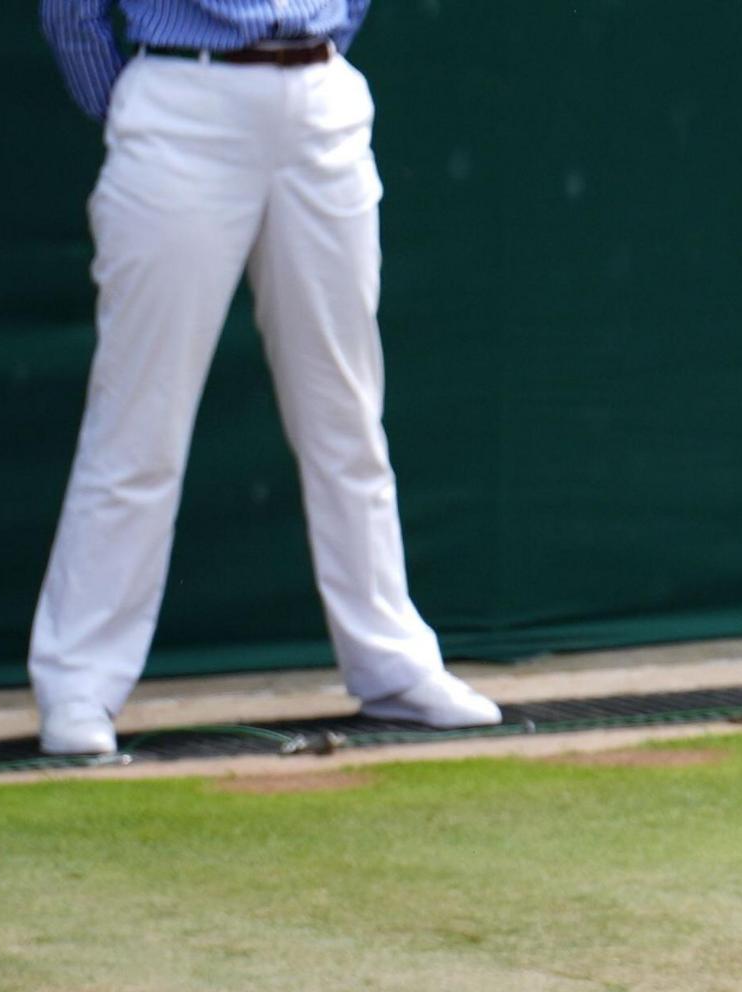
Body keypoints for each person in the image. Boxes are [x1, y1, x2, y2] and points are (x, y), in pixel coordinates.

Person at [32, 0, 500, 756]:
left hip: (321, 99)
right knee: (138, 421)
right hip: (181, 100)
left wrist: (316, 50)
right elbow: (72, 10)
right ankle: (79, 683)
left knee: (346, 416)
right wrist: (129, 98)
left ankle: (393, 664)